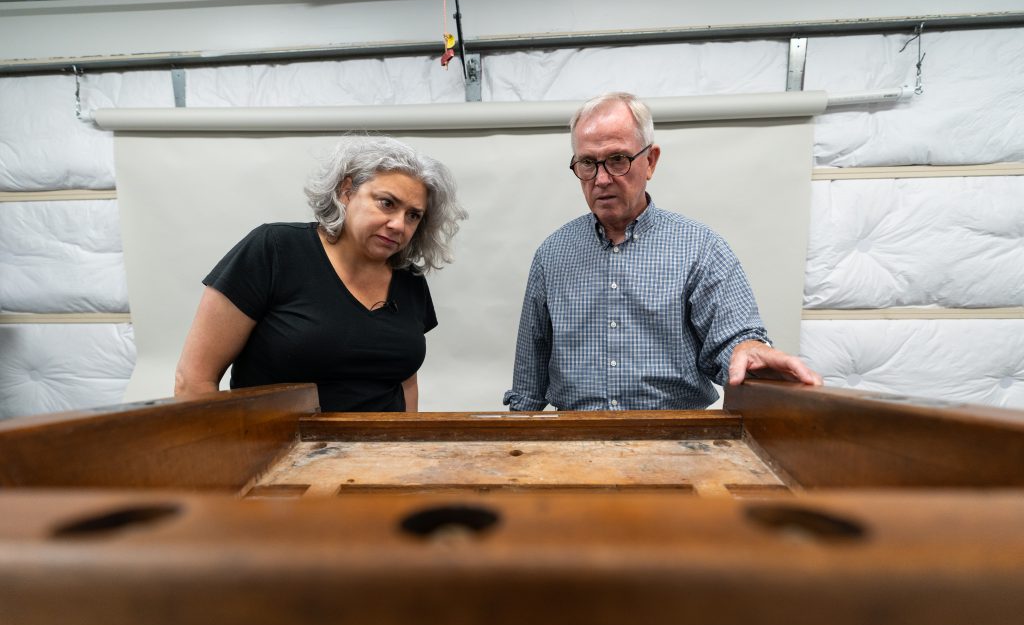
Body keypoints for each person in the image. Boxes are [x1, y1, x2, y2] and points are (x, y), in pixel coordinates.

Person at [503, 92, 820, 411]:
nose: (601, 179)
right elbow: (528, 383)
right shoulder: (552, 255)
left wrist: (748, 348)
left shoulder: (700, 249)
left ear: (650, 161)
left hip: (675, 444)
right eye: (587, 162)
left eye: (617, 160)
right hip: (574, 444)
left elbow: (734, 341)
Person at [175, 137, 466, 412]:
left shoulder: (409, 279)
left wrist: (408, 448)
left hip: (382, 459)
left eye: (413, 215)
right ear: (346, 191)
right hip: (280, 457)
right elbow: (194, 381)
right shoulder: (275, 250)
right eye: (387, 203)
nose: (398, 224)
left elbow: (406, 382)